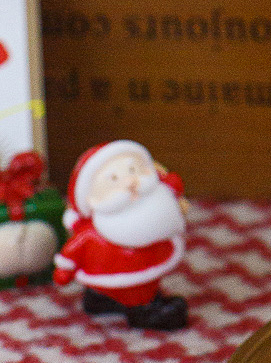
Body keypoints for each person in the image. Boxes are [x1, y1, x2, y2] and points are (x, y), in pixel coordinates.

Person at [54, 139, 188, 330]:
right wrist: (65, 269)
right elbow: (75, 248)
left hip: (150, 263)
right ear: (92, 198)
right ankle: (142, 310)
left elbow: (172, 189)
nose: (130, 182)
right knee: (138, 292)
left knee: (144, 287)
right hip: (116, 273)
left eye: (133, 170)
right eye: (114, 179)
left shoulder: (154, 200)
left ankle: (104, 298)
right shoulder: (94, 231)